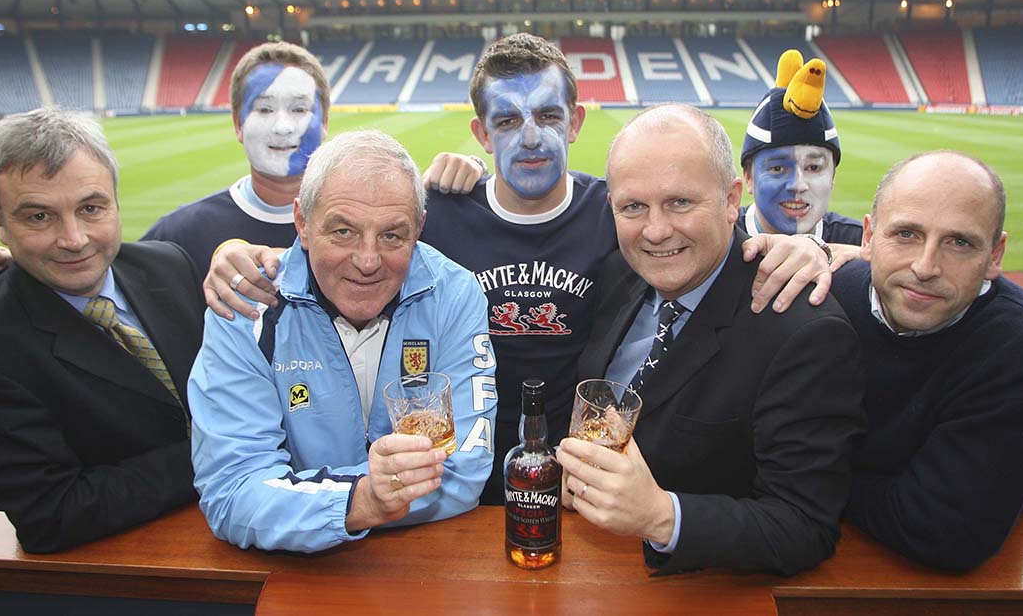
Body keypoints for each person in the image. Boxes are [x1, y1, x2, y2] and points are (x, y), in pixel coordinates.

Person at [205, 34, 838, 506]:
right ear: (481, 132)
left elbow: (705, 239)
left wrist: (816, 248)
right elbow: (344, 241)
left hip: (580, 485)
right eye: (507, 120)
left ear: (578, 121)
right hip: (454, 487)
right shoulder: (442, 212)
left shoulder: (615, 214)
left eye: (549, 116)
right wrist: (243, 254)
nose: (530, 136)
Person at [558, 104, 864, 576]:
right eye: (633, 207)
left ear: (729, 200)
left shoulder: (804, 332)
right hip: (585, 566)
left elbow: (804, 526)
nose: (656, 231)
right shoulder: (621, 272)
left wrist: (662, 517)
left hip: (694, 589)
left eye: (680, 202)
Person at [0, 41, 484, 294]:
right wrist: (8, 267)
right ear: (236, 122)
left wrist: (477, 173)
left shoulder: (397, 217)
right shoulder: (180, 236)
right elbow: (93, 277)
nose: (282, 128)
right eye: (264, 109)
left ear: (326, 119)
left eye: (300, 109)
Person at [187, 130, 496, 554]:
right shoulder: (245, 306)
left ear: (419, 228)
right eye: (343, 232)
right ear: (302, 222)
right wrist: (363, 499)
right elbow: (232, 490)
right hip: (298, 579)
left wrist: (303, 501)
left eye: (392, 235)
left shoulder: (455, 294)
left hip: (424, 567)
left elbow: (463, 473)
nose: (368, 261)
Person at [0, 108, 204, 553]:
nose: (74, 239)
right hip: (125, 571)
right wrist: (219, 454)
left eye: (91, 208)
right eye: (39, 217)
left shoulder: (169, 264)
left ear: (116, 199)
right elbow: (50, 514)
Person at [832, 150, 1023, 570]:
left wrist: (805, 476)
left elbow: (945, 531)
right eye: (906, 234)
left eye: (959, 242)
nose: (926, 266)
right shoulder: (826, 296)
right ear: (868, 237)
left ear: (995, 255)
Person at [738, 50, 863, 257]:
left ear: (832, 177)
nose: (798, 185)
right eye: (777, 168)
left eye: (814, 167)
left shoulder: (860, 244)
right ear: (748, 178)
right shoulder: (721, 241)